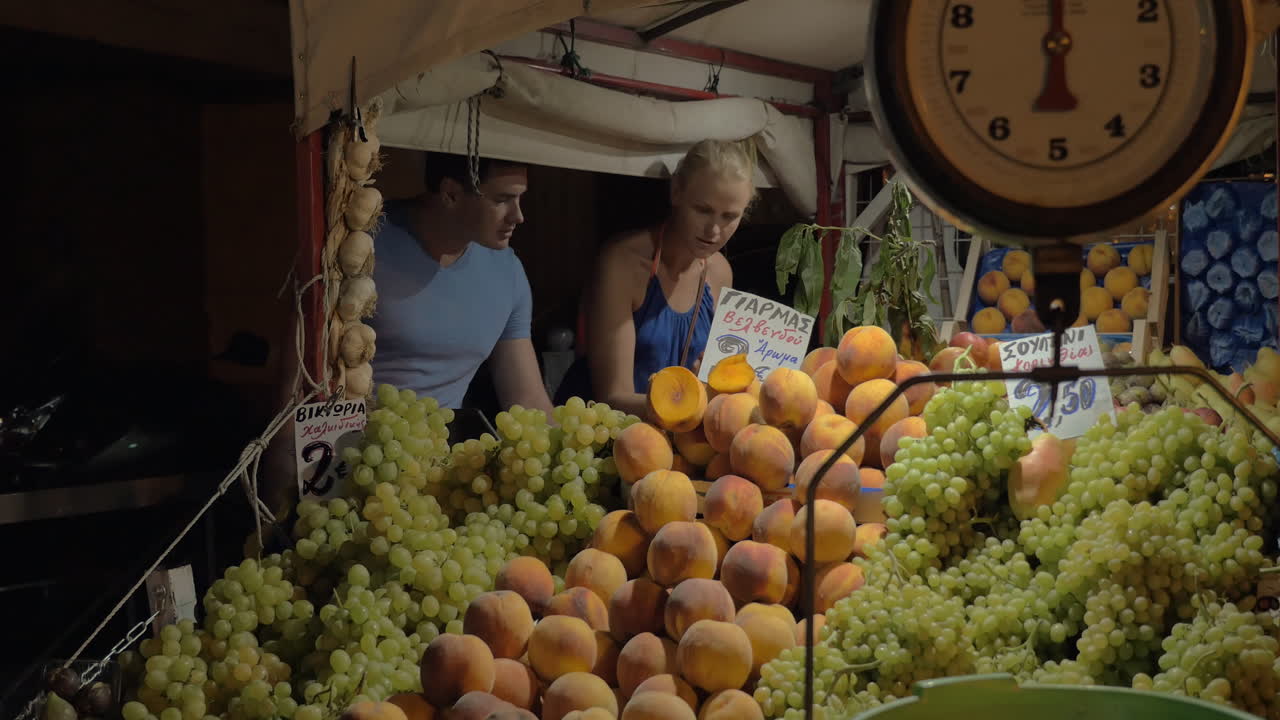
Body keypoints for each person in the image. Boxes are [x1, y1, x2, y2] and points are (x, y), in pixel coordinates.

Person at [556, 139, 756, 416]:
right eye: (703, 210)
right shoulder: (623, 263)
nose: (714, 229)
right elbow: (613, 397)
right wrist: (695, 403)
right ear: (676, 192)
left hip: (674, 438)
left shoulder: (720, 273)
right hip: (603, 437)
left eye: (729, 217)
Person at [369, 152, 554, 415]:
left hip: (445, 448)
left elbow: (528, 400)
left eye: (519, 199)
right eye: (502, 200)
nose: (518, 216)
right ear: (451, 194)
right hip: (356, 445)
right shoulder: (363, 245)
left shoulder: (507, 271)